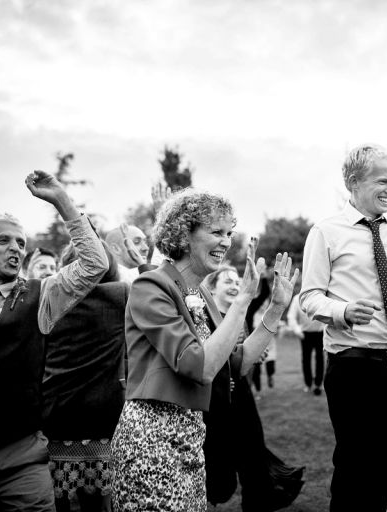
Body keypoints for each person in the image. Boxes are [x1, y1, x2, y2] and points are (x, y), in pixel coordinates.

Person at [110, 189, 298, 511]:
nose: (226, 242)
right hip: (152, 439)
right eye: (216, 232)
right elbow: (200, 367)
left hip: (194, 436)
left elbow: (235, 363)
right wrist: (242, 301)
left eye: (229, 232)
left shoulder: (201, 293)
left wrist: (276, 309)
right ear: (184, 234)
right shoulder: (150, 287)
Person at [0, 170, 109, 511]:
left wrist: (62, 200)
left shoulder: (43, 294)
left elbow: (95, 263)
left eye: (21, 243)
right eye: (4, 241)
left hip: (20, 460)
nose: (16, 249)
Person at [300, 143, 387, 512]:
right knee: (355, 468)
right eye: (383, 181)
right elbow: (309, 297)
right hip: (351, 365)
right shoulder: (325, 231)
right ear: (354, 183)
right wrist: (342, 310)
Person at [203, 267, 305, 511]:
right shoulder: (203, 315)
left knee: (254, 457)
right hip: (214, 398)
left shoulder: (241, 315)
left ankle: (257, 500)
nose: (234, 285)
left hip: (241, 393)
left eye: (237, 281)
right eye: (227, 280)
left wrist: (253, 353)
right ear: (212, 287)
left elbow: (242, 355)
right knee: (218, 466)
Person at [41, 241, 127, 512]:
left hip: (54, 412)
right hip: (102, 415)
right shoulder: (120, 294)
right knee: (101, 504)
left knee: (58, 502)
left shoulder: (47, 295)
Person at [287, 290, 326, 395]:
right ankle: (308, 384)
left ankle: (318, 384)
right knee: (306, 359)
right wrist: (297, 330)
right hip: (305, 334)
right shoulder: (297, 299)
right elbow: (291, 317)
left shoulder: (320, 295)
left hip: (320, 333)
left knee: (320, 358)